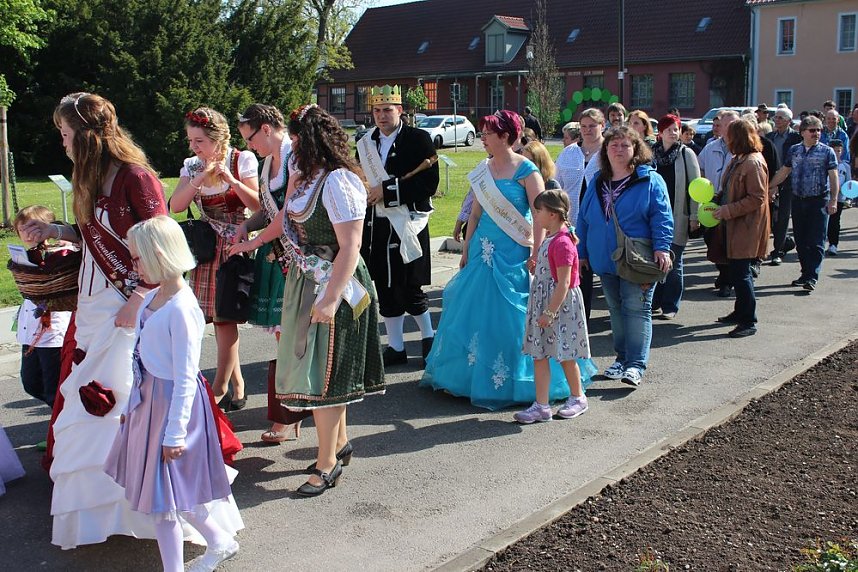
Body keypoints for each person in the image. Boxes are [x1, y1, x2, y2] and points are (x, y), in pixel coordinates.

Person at [18, 92, 168, 549]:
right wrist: (55, 231)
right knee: (92, 405)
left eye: (65, 135)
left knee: (129, 400)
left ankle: (144, 505)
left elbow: (162, 250)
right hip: (94, 306)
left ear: (84, 136)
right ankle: (104, 509)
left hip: (130, 305)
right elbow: (89, 233)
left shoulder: (136, 178)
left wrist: (138, 298)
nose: (61, 144)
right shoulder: (89, 177)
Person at [231, 104, 384, 496]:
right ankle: (339, 443)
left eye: (296, 139)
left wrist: (332, 298)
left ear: (312, 141)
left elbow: (351, 246)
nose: (291, 147)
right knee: (318, 369)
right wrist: (253, 241)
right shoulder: (305, 178)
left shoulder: (338, 181)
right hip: (305, 279)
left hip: (335, 281)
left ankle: (327, 463)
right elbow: (283, 219)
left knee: (324, 374)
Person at [104, 216, 243, 572]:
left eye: (136, 258)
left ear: (158, 254)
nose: (133, 265)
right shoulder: (151, 296)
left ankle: (186, 562)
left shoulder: (182, 309)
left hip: (173, 407)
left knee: (166, 497)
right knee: (164, 494)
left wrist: (175, 432)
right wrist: (133, 405)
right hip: (149, 402)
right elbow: (140, 358)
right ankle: (219, 542)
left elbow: (184, 377)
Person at [421, 110, 579, 410]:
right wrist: (466, 246)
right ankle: (468, 376)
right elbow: (477, 212)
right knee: (474, 307)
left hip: (515, 249)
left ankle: (519, 380)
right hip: (483, 247)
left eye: (488, 133)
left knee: (513, 312)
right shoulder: (484, 169)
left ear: (505, 136)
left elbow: (539, 214)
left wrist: (536, 251)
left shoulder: (527, 170)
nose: (482, 138)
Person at [169, 107, 260, 411]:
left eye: (199, 141)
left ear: (217, 139)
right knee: (211, 317)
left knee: (225, 317)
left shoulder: (241, 159)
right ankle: (237, 385)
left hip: (235, 242)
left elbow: (258, 205)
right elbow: (176, 206)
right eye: (191, 140)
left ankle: (219, 388)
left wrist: (231, 180)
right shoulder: (192, 166)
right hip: (207, 247)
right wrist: (199, 179)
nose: (194, 147)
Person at [233, 103, 311, 444]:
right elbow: (268, 212)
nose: (249, 146)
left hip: (298, 255)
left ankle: (296, 411)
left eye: (250, 138)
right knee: (286, 337)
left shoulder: (296, 157)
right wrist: (247, 226)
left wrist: (254, 243)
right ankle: (289, 413)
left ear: (266, 129)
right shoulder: (268, 163)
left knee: (298, 337)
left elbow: (290, 214)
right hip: (276, 255)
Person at [577, 126, 673, 387]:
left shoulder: (650, 180)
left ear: (636, 149)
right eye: (613, 145)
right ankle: (621, 359)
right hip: (604, 259)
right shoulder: (597, 181)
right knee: (616, 311)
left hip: (637, 260)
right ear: (605, 151)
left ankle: (636, 365)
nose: (619, 150)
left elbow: (662, 216)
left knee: (637, 309)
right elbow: (583, 219)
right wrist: (581, 251)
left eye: (625, 145)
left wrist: (662, 247)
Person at [358, 85, 438, 368]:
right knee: (385, 285)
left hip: (409, 222)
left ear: (400, 110)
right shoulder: (366, 142)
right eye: (377, 111)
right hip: (376, 224)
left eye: (387, 110)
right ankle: (396, 346)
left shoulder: (418, 139)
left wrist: (388, 192)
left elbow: (429, 183)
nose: (381, 116)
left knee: (410, 284)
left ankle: (428, 338)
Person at [515, 190, 592, 423]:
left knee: (566, 355)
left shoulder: (563, 243)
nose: (535, 215)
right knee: (540, 355)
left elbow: (564, 283)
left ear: (553, 213)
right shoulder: (552, 238)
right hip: (545, 305)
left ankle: (578, 397)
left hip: (559, 308)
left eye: (538, 211)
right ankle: (541, 405)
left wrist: (550, 311)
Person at [711, 120, 771, 337]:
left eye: (729, 136)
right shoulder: (739, 159)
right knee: (736, 273)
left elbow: (757, 198)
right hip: (735, 226)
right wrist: (716, 199)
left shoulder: (753, 162)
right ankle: (740, 313)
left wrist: (727, 210)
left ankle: (748, 321)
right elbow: (728, 188)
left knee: (742, 274)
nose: (725, 139)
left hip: (746, 228)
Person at [769, 115, 840, 291]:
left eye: (818, 130)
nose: (816, 133)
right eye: (812, 130)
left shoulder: (826, 151)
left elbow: (833, 176)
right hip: (798, 200)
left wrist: (833, 200)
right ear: (802, 133)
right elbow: (784, 171)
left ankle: (812, 277)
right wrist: (769, 186)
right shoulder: (794, 150)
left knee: (816, 241)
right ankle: (805, 273)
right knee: (801, 240)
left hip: (819, 201)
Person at [13, 206, 73, 411]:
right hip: (29, 334)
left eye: (32, 228)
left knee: (53, 389)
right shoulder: (23, 256)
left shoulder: (59, 254)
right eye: (22, 229)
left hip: (52, 333)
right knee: (31, 383)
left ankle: (59, 433)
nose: (27, 234)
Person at [651, 114, 701, 320]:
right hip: (654, 215)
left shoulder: (686, 154)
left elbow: (695, 186)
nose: (673, 133)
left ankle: (670, 305)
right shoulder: (651, 153)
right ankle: (655, 301)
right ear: (660, 133)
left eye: (676, 129)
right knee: (654, 260)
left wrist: (694, 215)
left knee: (674, 261)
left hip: (678, 214)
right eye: (669, 129)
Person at [699, 109, 739, 297]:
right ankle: (724, 274)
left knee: (729, 244)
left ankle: (726, 280)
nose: (730, 129)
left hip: (733, 204)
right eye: (726, 125)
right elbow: (701, 170)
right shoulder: (710, 147)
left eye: (734, 125)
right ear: (720, 127)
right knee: (712, 241)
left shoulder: (742, 150)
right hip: (711, 202)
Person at [577, 108, 607, 321]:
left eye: (592, 126)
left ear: (602, 126)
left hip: (601, 218)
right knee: (580, 268)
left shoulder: (609, 150)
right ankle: (581, 320)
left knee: (605, 268)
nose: (587, 130)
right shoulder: (571, 152)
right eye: (584, 126)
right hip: (573, 218)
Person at [767, 106, 802, 265]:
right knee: (769, 217)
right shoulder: (769, 137)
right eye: (775, 117)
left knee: (782, 218)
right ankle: (785, 242)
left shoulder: (796, 138)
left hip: (787, 184)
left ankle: (777, 251)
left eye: (780, 118)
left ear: (788, 121)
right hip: (769, 182)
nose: (776, 120)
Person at [555, 122, 586, 226]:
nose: (563, 141)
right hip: (569, 214)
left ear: (577, 139)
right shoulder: (564, 155)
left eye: (566, 138)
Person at [826, 139, 851, 256]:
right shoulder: (824, 164)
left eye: (839, 151)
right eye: (834, 151)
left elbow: (849, 183)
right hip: (825, 197)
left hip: (838, 198)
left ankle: (833, 244)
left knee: (834, 221)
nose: (836, 153)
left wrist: (847, 196)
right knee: (823, 222)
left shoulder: (845, 166)